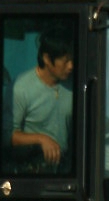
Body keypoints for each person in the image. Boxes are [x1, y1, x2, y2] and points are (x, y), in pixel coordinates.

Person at [11, 26, 75, 168]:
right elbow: (9, 136)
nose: (71, 66)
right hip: (34, 169)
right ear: (46, 58)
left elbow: (92, 118)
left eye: (72, 60)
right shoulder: (20, 88)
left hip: (66, 169)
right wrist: (41, 140)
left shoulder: (74, 85)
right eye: (65, 61)